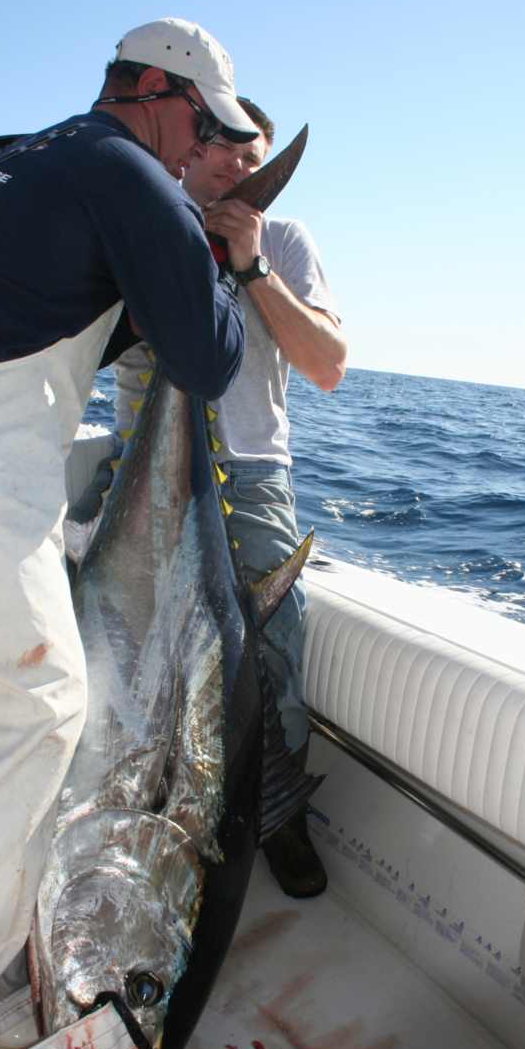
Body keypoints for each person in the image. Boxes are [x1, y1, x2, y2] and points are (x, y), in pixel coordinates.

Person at [0, 18, 259, 1049]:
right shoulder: (129, 170)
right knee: (33, 710)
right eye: (202, 131)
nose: (198, 155)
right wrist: (226, 265)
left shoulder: (16, 154)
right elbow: (205, 362)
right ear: (159, 92)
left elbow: (38, 300)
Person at [79, 97, 347, 897]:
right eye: (221, 148)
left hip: (250, 472)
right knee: (116, 644)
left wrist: (251, 264)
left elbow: (329, 366)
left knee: (273, 639)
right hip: (139, 469)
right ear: (187, 153)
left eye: (252, 156)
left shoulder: (287, 239)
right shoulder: (136, 227)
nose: (237, 165)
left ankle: (279, 814)